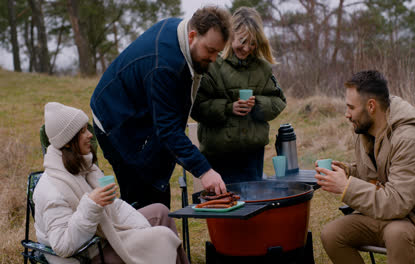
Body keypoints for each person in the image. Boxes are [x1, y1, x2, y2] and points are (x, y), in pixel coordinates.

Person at [90, 6, 232, 209]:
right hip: (115, 118)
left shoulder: (181, 34)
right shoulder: (163, 65)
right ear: (192, 36)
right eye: (210, 50)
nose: (213, 59)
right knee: (142, 190)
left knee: (157, 184)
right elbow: (167, 129)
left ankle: (157, 223)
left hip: (139, 105)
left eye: (218, 52)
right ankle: (139, 230)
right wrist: (204, 171)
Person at [315, 70, 415, 264]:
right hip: (385, 216)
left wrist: (346, 187)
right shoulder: (365, 129)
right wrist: (345, 172)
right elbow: (372, 173)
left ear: (371, 106)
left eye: (351, 107)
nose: (346, 114)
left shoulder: (407, 139)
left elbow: (398, 203)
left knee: (395, 234)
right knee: (331, 234)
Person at [34, 102, 189, 264]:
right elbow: (63, 246)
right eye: (83, 132)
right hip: (84, 255)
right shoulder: (53, 189)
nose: (90, 135)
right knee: (163, 238)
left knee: (161, 211)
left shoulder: (85, 167)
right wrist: (91, 205)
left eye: (87, 129)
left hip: (106, 234)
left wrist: (139, 229)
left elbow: (114, 207)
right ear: (67, 141)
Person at [191, 7, 286, 184]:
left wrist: (257, 104)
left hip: (252, 155)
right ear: (231, 34)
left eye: (253, 43)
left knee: (253, 206)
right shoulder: (212, 63)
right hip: (219, 155)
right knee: (223, 206)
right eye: (243, 41)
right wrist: (228, 108)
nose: (247, 48)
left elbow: (279, 101)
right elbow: (196, 108)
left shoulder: (263, 68)